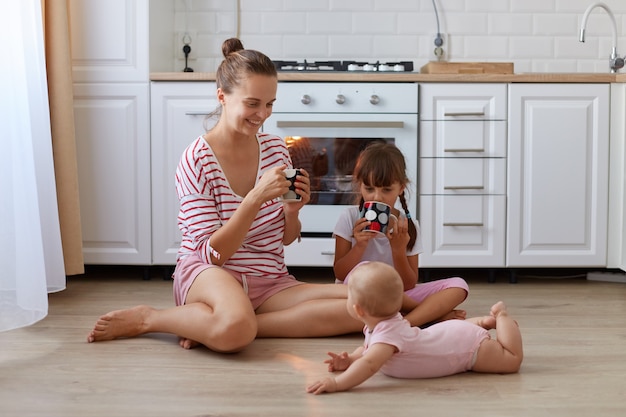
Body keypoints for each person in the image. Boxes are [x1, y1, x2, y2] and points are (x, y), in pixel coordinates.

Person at [86, 37, 363, 352]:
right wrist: (255, 198)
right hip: (211, 274)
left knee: (365, 305)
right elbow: (212, 254)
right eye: (252, 103)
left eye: (270, 103)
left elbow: (285, 239)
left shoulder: (276, 150)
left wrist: (292, 213)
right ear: (223, 97)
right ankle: (153, 318)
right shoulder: (197, 159)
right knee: (235, 330)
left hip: (268, 278)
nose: (262, 114)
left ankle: (210, 324)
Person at [306, 261, 523, 394]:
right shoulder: (377, 327)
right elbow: (366, 351)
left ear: (358, 309)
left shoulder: (388, 334)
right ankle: (482, 322)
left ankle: (501, 317)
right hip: (449, 333)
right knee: (444, 332)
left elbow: (370, 364)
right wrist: (351, 359)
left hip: (467, 349)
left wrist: (338, 384)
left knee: (511, 359)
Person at [333, 142, 469, 327]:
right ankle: (429, 315)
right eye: (369, 189)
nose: (377, 197)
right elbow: (340, 273)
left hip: (398, 294)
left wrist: (398, 251)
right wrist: (360, 246)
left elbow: (408, 284)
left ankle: (405, 322)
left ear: (401, 187)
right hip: (359, 292)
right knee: (365, 270)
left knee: (458, 285)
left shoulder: (408, 226)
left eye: (386, 190)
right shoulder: (349, 218)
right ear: (360, 185)